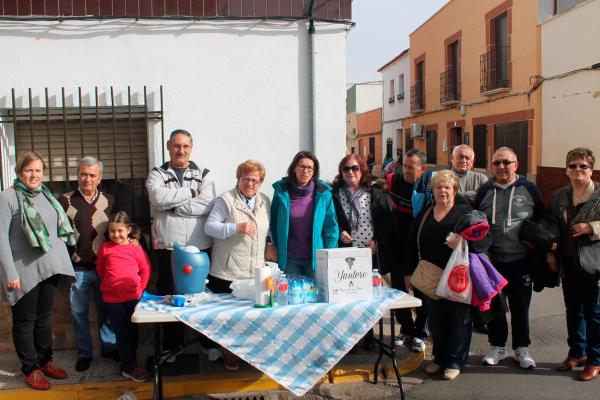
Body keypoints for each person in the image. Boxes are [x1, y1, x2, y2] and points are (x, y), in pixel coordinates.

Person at [404, 170, 491, 380]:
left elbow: (484, 241)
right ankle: (439, 357)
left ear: (454, 190)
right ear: (432, 191)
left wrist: (462, 241)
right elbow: (410, 242)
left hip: (457, 276)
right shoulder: (426, 211)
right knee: (435, 320)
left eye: (447, 187)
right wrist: (408, 272)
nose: (442, 191)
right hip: (431, 277)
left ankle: (455, 360)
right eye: (438, 187)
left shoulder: (465, 212)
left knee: (458, 320)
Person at [0, 151, 76, 390]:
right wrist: (9, 273)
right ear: (19, 172)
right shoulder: (8, 197)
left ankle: (44, 361)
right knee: (25, 321)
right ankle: (30, 369)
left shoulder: (47, 195)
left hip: (49, 269)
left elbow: (57, 231)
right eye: (29, 170)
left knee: (44, 319)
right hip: (23, 272)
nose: (34, 175)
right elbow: (1, 239)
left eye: (38, 170)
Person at [146, 129, 216, 360]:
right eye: (176, 146)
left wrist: (173, 205)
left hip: (200, 246)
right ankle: (172, 346)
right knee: (169, 296)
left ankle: (207, 344)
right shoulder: (157, 173)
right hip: (169, 247)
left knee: (201, 296)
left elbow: (206, 204)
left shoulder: (204, 173)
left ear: (191, 147)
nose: (181, 150)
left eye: (185, 146)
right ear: (168, 146)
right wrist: (189, 193)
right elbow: (157, 199)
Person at [474, 147, 546, 369]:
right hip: (492, 261)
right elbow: (475, 219)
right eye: (497, 163)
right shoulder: (484, 190)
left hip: (521, 260)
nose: (501, 167)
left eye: (506, 162)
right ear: (491, 166)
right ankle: (497, 347)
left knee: (520, 306)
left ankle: (522, 348)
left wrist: (537, 241)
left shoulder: (529, 189)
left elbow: (543, 218)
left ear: (516, 165)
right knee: (495, 307)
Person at [204, 160, 272, 370]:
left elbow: (268, 229)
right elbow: (210, 227)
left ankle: (249, 357)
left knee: (253, 318)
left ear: (260, 182)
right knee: (227, 320)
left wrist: (270, 243)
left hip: (255, 271)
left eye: (255, 180)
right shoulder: (226, 200)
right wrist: (236, 227)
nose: (250, 183)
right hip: (227, 272)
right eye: (246, 179)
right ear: (238, 179)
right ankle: (229, 357)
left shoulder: (265, 201)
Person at [58, 157, 117, 372]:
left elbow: (122, 226)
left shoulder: (110, 200)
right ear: (77, 175)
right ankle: (84, 353)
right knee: (79, 313)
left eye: (92, 175)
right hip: (77, 268)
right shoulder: (64, 201)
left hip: (105, 269)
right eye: (83, 174)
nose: (87, 179)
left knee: (107, 310)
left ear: (99, 178)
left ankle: (109, 348)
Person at [331, 154, 393, 351]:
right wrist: (340, 231)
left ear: (363, 170)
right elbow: (330, 220)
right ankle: (351, 338)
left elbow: (387, 222)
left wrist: (376, 242)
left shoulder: (374, 192)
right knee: (347, 296)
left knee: (366, 296)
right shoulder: (335, 194)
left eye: (355, 168)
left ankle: (367, 334)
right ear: (341, 173)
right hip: (345, 253)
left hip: (368, 253)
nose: (351, 172)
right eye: (346, 169)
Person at [548, 147, 600, 381]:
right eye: (573, 166)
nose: (577, 170)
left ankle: (595, 359)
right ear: (566, 169)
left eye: (583, 166)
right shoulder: (559, 196)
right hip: (568, 263)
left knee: (594, 313)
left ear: (591, 170)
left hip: (593, 263)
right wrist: (551, 255)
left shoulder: (598, 194)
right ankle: (576, 353)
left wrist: (591, 228)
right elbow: (551, 229)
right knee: (574, 312)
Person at [386, 148, 433, 352]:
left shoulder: (430, 187)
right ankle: (406, 328)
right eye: (404, 165)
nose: (406, 170)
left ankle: (421, 332)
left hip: (420, 249)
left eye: (411, 167)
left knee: (423, 292)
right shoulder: (392, 181)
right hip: (397, 247)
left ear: (422, 168)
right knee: (399, 291)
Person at [96, 211, 151, 382]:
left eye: (120, 231)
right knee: (122, 332)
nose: (116, 235)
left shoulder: (136, 248)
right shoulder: (105, 248)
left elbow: (145, 270)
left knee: (133, 331)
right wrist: (109, 285)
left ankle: (130, 362)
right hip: (112, 300)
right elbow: (100, 270)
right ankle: (129, 366)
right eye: (112, 231)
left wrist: (140, 289)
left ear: (128, 229)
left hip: (133, 298)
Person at [270, 151, 339, 278]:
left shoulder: (323, 194)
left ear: (314, 171)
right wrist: (273, 244)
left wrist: (330, 253)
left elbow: (331, 227)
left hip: (315, 260)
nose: (305, 171)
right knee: (291, 296)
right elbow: (273, 222)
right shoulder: (281, 192)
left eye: (310, 168)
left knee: (317, 296)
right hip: (289, 259)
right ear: (294, 168)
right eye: (302, 166)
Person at [450, 144, 489, 333]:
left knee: (476, 279)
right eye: (460, 157)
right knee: (453, 278)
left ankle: (479, 318)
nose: (463, 160)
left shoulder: (481, 178)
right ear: (452, 159)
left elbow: (483, 196)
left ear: (473, 161)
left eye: (467, 158)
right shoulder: (445, 176)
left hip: (475, 239)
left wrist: (455, 195)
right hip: (451, 237)